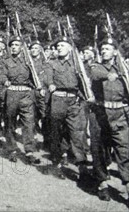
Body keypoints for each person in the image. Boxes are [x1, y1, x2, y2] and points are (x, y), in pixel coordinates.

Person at [43, 36, 90, 182]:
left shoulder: (77, 64)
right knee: (56, 133)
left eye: (63, 45)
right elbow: (48, 78)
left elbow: (83, 82)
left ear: (70, 48)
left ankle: (82, 167)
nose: (59, 48)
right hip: (57, 100)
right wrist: (50, 84)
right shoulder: (51, 63)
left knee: (77, 134)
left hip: (73, 101)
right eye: (58, 46)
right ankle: (56, 164)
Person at [88, 35, 129, 202]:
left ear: (115, 52)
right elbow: (95, 74)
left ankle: (127, 184)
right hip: (100, 113)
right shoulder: (95, 66)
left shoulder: (124, 68)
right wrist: (109, 75)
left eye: (107, 49)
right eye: (102, 49)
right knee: (99, 150)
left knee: (124, 150)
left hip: (120, 115)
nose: (104, 51)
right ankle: (102, 183)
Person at [0, 36, 40, 164]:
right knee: (10, 121)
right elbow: (2, 74)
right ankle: (12, 149)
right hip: (12, 92)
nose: (15, 47)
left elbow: (36, 76)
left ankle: (29, 151)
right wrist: (4, 80)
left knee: (28, 122)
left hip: (26, 94)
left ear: (22, 47)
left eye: (17, 45)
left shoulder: (28, 61)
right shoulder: (6, 61)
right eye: (13, 45)